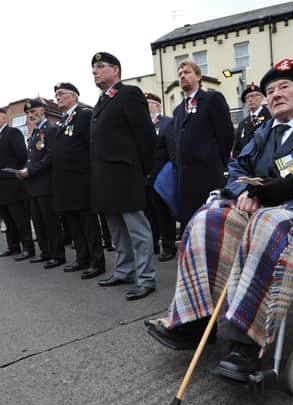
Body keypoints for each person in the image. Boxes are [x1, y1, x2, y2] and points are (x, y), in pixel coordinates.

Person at [145, 59, 293, 381]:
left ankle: (245, 342)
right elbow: (238, 167)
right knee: (205, 220)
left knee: (267, 224)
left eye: (284, 87)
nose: (275, 94)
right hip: (264, 207)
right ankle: (195, 320)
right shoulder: (265, 131)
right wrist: (244, 190)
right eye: (270, 91)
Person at [89, 52, 157, 300]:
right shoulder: (101, 101)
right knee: (116, 230)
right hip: (106, 178)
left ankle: (146, 277)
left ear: (115, 70)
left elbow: (146, 135)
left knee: (137, 229)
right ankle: (124, 270)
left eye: (100, 66)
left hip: (126, 174)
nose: (94, 71)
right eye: (93, 68)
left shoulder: (129, 94)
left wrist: (144, 170)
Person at [51, 82, 105, 279]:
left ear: (74, 96)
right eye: (56, 94)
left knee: (89, 224)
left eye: (61, 93)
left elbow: (91, 146)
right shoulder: (62, 121)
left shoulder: (83, 115)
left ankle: (97, 262)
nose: (57, 97)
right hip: (65, 184)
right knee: (74, 224)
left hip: (81, 181)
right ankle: (82, 258)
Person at [173, 60, 234, 230]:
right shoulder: (178, 110)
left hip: (208, 176)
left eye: (187, 72)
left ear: (198, 76)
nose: (182, 76)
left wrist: (216, 162)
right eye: (180, 74)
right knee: (191, 225)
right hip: (185, 181)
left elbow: (226, 135)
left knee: (212, 226)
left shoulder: (212, 99)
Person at [17, 98, 66, 269]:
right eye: (28, 113)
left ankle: (57, 255)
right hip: (33, 186)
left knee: (50, 222)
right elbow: (32, 159)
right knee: (38, 222)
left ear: (42, 111)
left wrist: (30, 171)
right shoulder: (35, 134)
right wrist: (24, 170)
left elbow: (50, 157)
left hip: (46, 184)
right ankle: (45, 252)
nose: (30, 115)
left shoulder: (51, 129)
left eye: (33, 111)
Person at [0, 107, 35, 261]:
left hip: (12, 185)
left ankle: (28, 248)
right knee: (7, 220)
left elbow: (22, 156)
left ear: (4, 118)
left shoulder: (12, 133)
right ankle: (13, 247)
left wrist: (15, 173)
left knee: (20, 219)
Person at [144, 91, 177, 262]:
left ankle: (169, 246)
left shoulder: (166, 123)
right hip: (145, 177)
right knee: (149, 213)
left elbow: (172, 151)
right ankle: (153, 244)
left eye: (148, 103)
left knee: (164, 213)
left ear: (156, 105)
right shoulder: (142, 125)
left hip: (161, 177)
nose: (145, 106)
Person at [231, 83, 272, 158]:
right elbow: (237, 149)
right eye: (247, 98)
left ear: (262, 97)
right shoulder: (243, 123)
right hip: (246, 166)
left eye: (253, 96)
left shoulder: (271, 117)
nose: (250, 99)